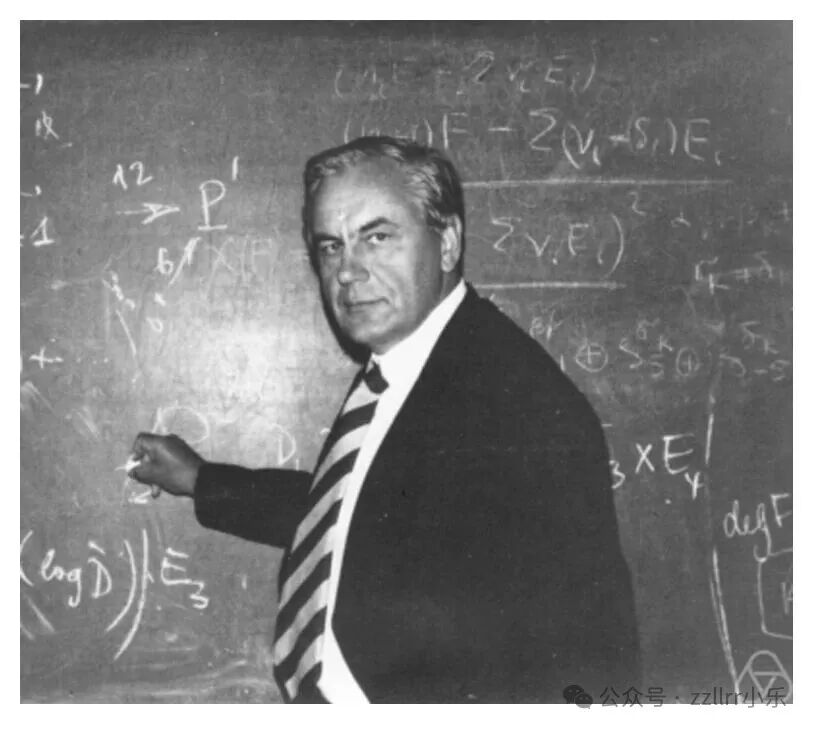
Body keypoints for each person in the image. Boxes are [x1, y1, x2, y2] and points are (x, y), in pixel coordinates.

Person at [130, 136, 639, 703]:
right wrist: (202, 480)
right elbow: (355, 514)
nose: (348, 272)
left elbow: (591, 657)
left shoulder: (518, 404)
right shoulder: (410, 362)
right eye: (331, 247)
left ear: (448, 243)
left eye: (377, 237)